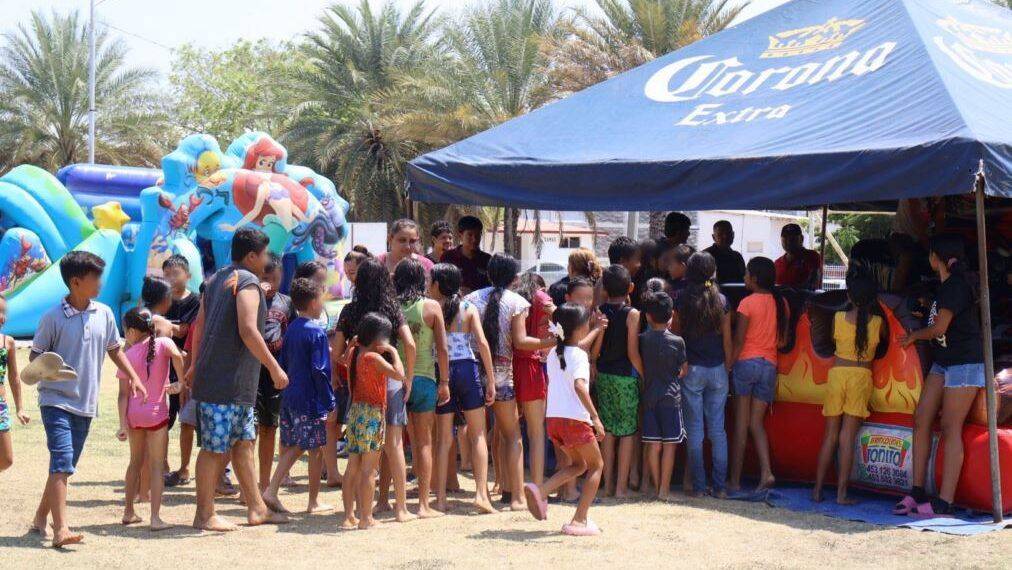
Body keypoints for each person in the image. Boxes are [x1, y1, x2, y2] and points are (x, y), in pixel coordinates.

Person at [31, 251, 147, 547]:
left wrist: (134, 377)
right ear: (75, 282)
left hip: (86, 404)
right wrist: (52, 373)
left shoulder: (104, 314)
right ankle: (61, 530)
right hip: (55, 401)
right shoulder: (52, 317)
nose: (100, 282)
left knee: (64, 465)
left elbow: (114, 349)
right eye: (95, 277)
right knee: (62, 461)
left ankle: (40, 518)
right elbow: (35, 358)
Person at [185, 228, 289, 532]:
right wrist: (274, 367)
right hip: (225, 383)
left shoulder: (216, 279)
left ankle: (257, 508)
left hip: (232, 382)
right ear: (252, 256)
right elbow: (248, 329)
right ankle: (204, 514)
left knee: (243, 443)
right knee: (214, 449)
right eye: (265, 254)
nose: (267, 260)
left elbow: (200, 325)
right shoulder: (247, 282)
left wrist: (195, 365)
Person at [895, 235, 985, 517]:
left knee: (949, 426)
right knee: (921, 418)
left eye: (931, 255)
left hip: (964, 363)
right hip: (944, 361)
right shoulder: (944, 286)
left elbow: (939, 329)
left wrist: (913, 337)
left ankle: (945, 501)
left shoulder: (956, 286)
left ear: (937, 258)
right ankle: (917, 489)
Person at [466, 253, 554, 511]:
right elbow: (521, 342)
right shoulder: (517, 302)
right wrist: (551, 342)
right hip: (503, 375)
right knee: (513, 435)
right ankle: (516, 497)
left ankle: (483, 493)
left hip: (474, 372)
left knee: (478, 434)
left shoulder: (471, 299)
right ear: (515, 278)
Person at [332, 258, 416, 523]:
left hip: (360, 384)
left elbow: (336, 353)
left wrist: (343, 367)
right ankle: (400, 508)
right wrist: (408, 378)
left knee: (358, 454)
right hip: (389, 380)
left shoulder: (349, 310)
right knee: (394, 445)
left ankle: (358, 509)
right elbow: (410, 344)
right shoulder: (392, 309)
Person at [523, 303, 605, 536]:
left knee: (578, 465)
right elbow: (579, 386)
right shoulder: (579, 355)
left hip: (555, 420)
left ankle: (541, 491)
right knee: (597, 466)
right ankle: (579, 519)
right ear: (579, 329)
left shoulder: (553, 353)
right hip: (575, 419)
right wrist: (595, 418)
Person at [262, 278, 336, 515]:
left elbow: (284, 362)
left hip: (290, 395)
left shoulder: (292, 328)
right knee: (304, 445)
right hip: (310, 398)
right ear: (313, 302)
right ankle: (273, 489)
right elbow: (320, 370)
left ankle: (312, 501)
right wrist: (329, 401)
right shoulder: (317, 332)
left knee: (310, 447)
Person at [429, 263, 498, 514]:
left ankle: (440, 498)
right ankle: (481, 494)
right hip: (467, 369)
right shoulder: (468, 308)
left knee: (443, 439)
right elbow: (482, 343)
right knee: (477, 434)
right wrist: (491, 380)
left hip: (442, 371)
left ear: (438, 284)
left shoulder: (432, 308)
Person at [813, 273, 885, 504]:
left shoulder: (838, 317)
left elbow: (833, 340)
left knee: (830, 436)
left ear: (849, 297)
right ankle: (841, 494)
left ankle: (817, 490)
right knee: (847, 437)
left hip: (837, 375)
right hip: (861, 378)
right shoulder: (878, 323)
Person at [117, 307, 185, 531]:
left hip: (134, 415)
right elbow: (178, 356)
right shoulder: (164, 344)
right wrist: (180, 382)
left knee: (134, 463)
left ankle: (128, 512)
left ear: (132, 331)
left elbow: (123, 394)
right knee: (156, 466)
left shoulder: (127, 356)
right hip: (156, 414)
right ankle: (155, 518)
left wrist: (122, 424)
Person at [672, 252, 732, 498]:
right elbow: (727, 339)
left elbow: (677, 336)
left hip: (691, 368)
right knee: (718, 431)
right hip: (718, 368)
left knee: (695, 431)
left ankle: (698, 487)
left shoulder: (681, 299)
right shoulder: (722, 300)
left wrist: (682, 362)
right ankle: (720, 487)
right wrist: (728, 367)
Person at [393, 258, 450, 518]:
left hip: (396, 379)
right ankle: (424, 504)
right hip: (425, 379)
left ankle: (384, 500)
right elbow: (443, 348)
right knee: (425, 442)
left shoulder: (391, 305)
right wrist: (445, 382)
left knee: (393, 443)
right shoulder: (431, 306)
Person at [340, 313, 407, 530]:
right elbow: (399, 374)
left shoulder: (354, 354)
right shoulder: (374, 358)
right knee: (369, 470)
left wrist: (353, 344)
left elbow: (343, 359)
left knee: (352, 466)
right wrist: (394, 352)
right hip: (372, 415)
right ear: (378, 339)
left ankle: (349, 516)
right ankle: (366, 518)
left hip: (355, 412)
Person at [728, 257, 788, 492]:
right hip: (769, 366)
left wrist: (728, 365)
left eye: (746, 273)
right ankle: (766, 472)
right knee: (756, 424)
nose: (743, 277)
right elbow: (782, 341)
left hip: (746, 364)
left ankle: (734, 481)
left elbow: (739, 340)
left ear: (754, 278)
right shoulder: (781, 303)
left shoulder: (746, 303)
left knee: (741, 426)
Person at [593, 265, 641, 498]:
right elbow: (632, 352)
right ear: (630, 287)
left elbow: (595, 350)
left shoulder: (598, 312)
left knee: (608, 431)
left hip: (603, 375)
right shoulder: (632, 314)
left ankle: (608, 485)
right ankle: (621, 488)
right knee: (628, 432)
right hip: (626, 377)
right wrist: (643, 373)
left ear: (604, 290)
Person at [637, 289, 688, 501]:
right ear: (671, 315)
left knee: (653, 445)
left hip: (649, 397)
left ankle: (658, 486)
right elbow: (683, 369)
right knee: (669, 446)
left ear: (648, 317)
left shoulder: (641, 340)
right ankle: (664, 491)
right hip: (671, 398)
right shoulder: (678, 341)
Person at [255, 254, 297, 491]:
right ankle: (247, 485)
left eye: (275, 279)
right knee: (249, 431)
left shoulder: (286, 303)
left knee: (269, 427)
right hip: (251, 371)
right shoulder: (249, 299)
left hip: (275, 374)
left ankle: (264, 482)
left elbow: (291, 335)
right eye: (265, 279)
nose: (270, 284)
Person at [513, 271, 555, 488]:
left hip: (510, 364)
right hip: (532, 366)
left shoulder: (513, 298)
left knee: (507, 431)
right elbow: (558, 318)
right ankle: (537, 486)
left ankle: (507, 485)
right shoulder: (542, 298)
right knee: (537, 432)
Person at [161, 255, 200, 488]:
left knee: (187, 421)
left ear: (188, 275)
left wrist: (163, 325)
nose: (171, 278)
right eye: (166, 274)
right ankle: (163, 465)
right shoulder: (161, 297)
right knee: (162, 420)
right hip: (161, 368)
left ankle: (184, 467)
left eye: (175, 273)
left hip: (184, 367)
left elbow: (185, 330)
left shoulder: (194, 301)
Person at [0, 293, 27, 472]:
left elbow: (14, 377)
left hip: (0, 406)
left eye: (4, 312)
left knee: (6, 459)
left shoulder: (7, 342)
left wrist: (20, 408)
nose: (2, 317)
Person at [441, 215, 491, 294]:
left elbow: (492, 289)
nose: (474, 239)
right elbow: (442, 286)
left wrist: (473, 293)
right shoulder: (448, 257)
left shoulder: (488, 260)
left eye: (477, 235)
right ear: (460, 236)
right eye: (470, 235)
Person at [775, 223, 822, 290]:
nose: (789, 241)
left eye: (793, 238)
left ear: (802, 238)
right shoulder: (777, 263)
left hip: (804, 296)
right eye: (785, 238)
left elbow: (813, 284)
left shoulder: (812, 257)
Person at [703, 220, 746, 285]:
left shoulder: (737, 256)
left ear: (733, 235)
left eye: (728, 233)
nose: (725, 237)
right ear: (713, 237)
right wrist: (713, 286)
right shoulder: (704, 256)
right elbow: (700, 282)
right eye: (720, 234)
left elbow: (744, 279)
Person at [293, 260, 331, 330]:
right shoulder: (294, 309)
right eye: (318, 283)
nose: (324, 288)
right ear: (302, 283)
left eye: (325, 283)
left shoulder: (321, 308)